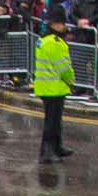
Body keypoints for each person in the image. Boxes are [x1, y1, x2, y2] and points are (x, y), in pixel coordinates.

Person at [33, 9, 75, 163]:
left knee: (53, 120)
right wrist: (72, 81)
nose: (64, 27)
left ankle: (57, 147)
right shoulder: (56, 43)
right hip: (54, 88)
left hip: (45, 87)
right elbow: (64, 68)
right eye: (62, 23)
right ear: (57, 24)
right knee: (53, 122)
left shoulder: (42, 40)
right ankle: (47, 152)